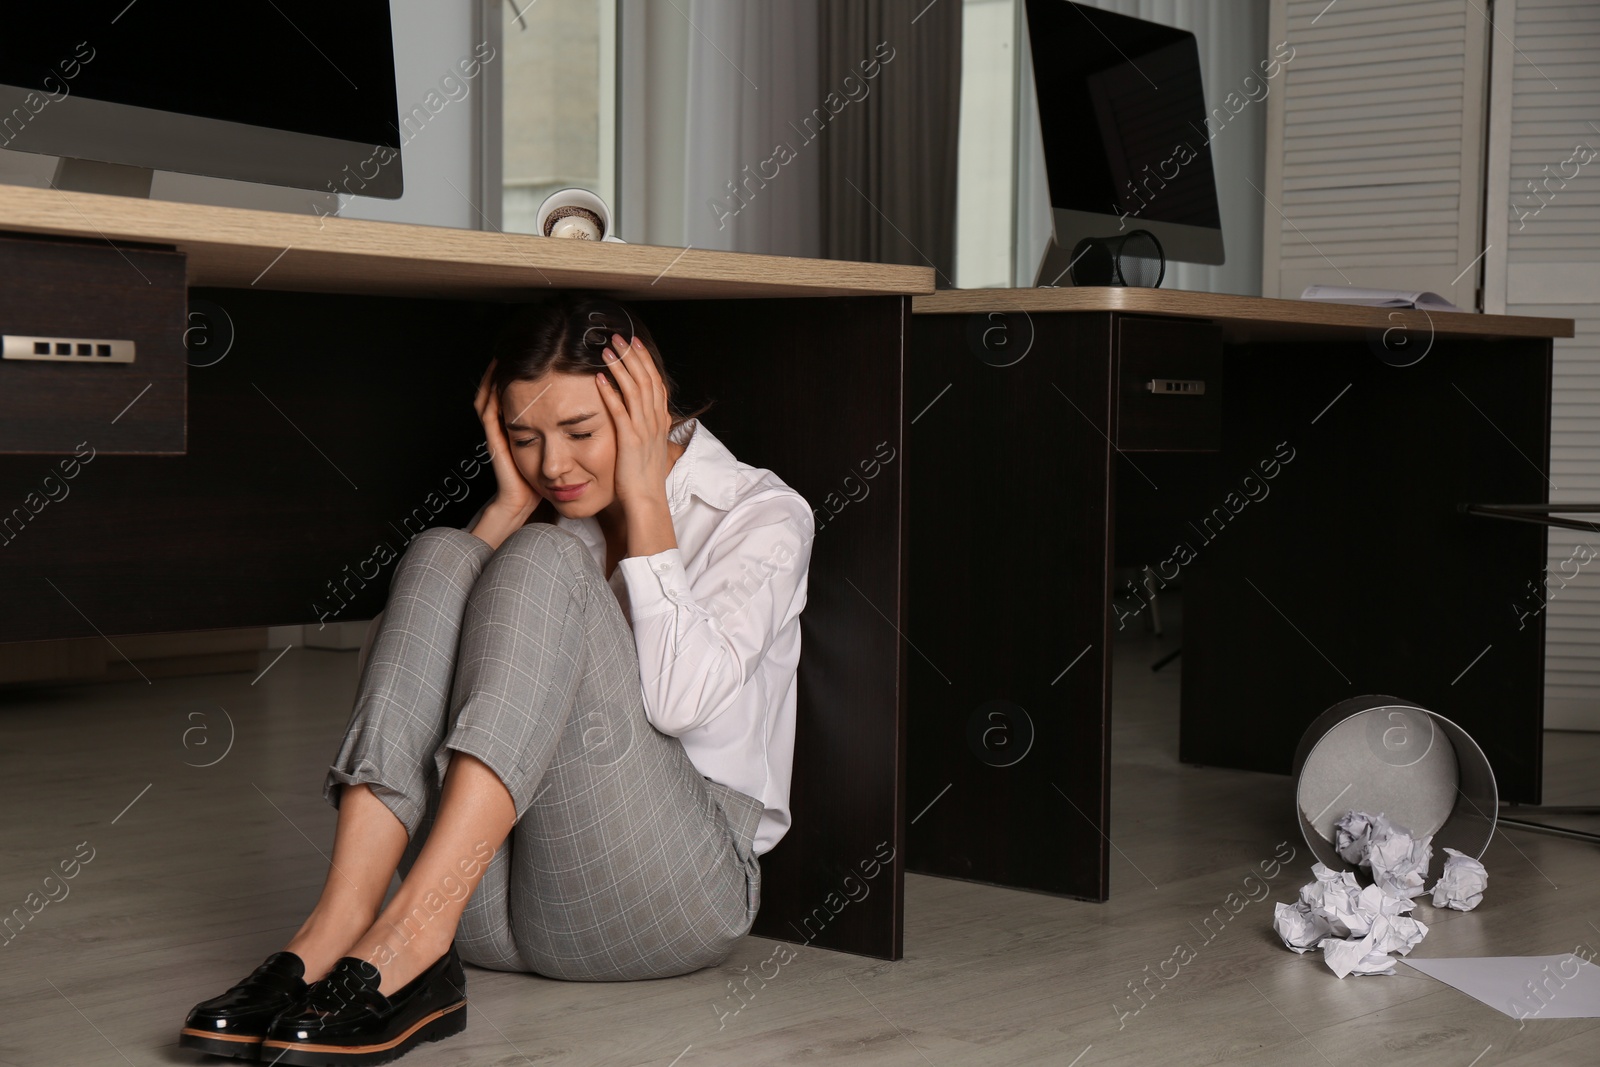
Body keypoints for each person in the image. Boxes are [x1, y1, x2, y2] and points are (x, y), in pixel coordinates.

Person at [177, 295, 814, 1065]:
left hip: (676, 895)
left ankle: (409, 931)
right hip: (492, 911)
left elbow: (680, 700)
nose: (552, 466)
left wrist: (646, 498)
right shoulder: (550, 511)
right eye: (525, 438)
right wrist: (505, 513)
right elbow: (403, 688)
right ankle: (344, 920)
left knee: (545, 562)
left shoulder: (763, 514)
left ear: (652, 411)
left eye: (581, 432)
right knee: (445, 553)